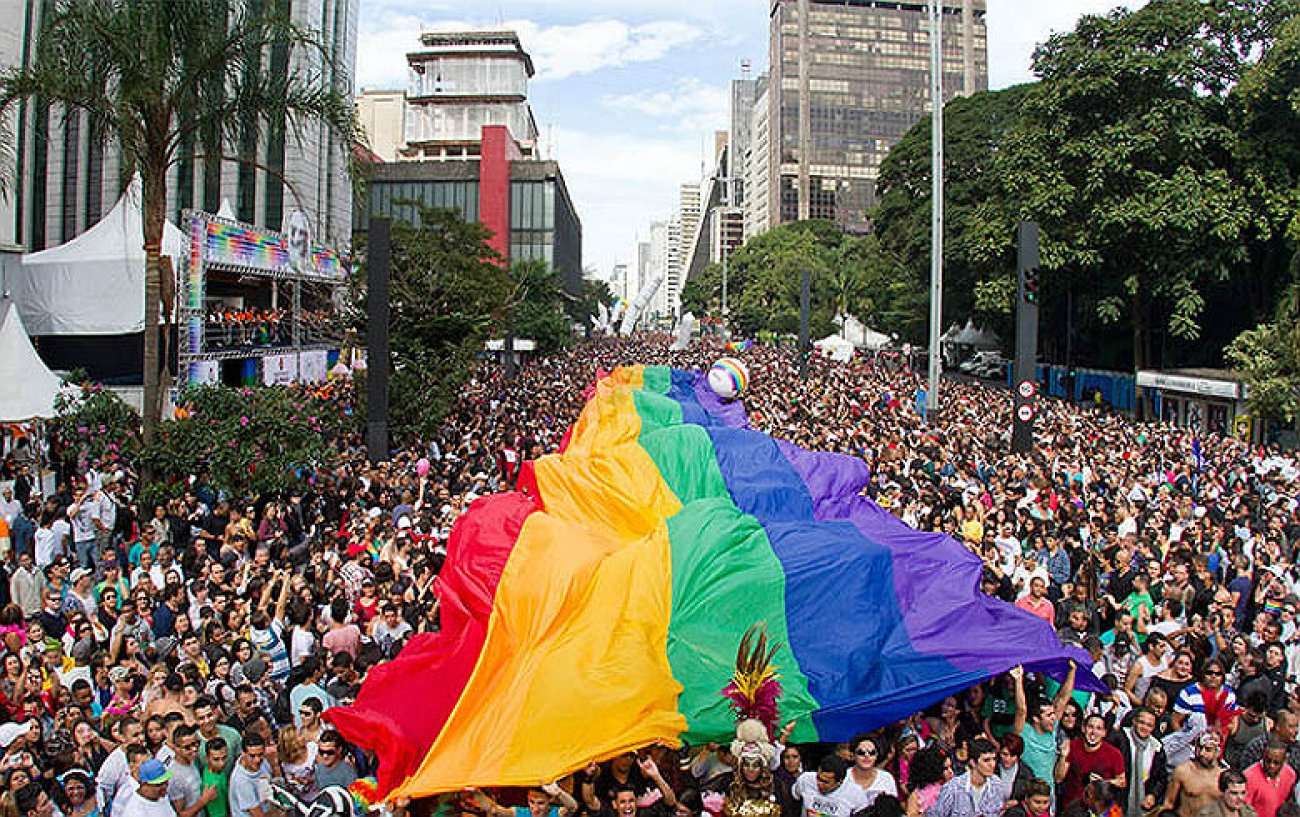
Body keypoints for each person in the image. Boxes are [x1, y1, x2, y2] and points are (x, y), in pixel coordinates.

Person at [1011, 662, 1078, 794]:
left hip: (1049, 795)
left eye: (1053, 714)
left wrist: (1072, 671)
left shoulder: (1052, 730)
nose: (1054, 717)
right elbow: (1021, 710)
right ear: (1036, 719)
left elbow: (1062, 699)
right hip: (1027, 794)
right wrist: (1018, 680)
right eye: (1048, 715)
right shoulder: (1024, 732)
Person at [1058, 714, 1126, 808]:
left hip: (1098, 807)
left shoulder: (1114, 753)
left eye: (1099, 728)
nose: (1094, 732)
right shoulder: (1072, 746)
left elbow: (1122, 781)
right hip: (1072, 805)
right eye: (1090, 727)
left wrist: (1104, 782)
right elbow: (1058, 778)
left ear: (1104, 733)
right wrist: (1063, 756)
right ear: (1083, 728)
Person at [1111, 707, 1169, 817]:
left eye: (1149, 725)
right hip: (1118, 797)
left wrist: (1153, 794)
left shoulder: (1156, 747)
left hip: (1142, 799)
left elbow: (1161, 777)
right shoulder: (1120, 739)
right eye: (1142, 722)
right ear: (1134, 721)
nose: (1144, 728)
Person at [929, 737, 1007, 817]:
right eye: (986, 760)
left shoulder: (997, 785)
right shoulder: (953, 788)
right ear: (973, 762)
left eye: (994, 759)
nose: (992, 764)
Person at [1163, 732, 1229, 817]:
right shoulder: (1183, 771)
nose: (1202, 753)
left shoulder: (1225, 775)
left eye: (1208, 749)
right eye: (1199, 748)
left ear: (1217, 751)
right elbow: (1168, 803)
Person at [791, 755, 855, 817]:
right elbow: (795, 798)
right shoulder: (805, 780)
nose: (819, 783)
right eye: (818, 778)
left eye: (825, 782)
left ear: (839, 782)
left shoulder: (855, 795)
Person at [1242, 741, 1293, 817]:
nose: (1271, 766)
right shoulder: (1249, 777)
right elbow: (1243, 810)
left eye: (1276, 762)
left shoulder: (1290, 775)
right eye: (1268, 761)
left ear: (1285, 760)